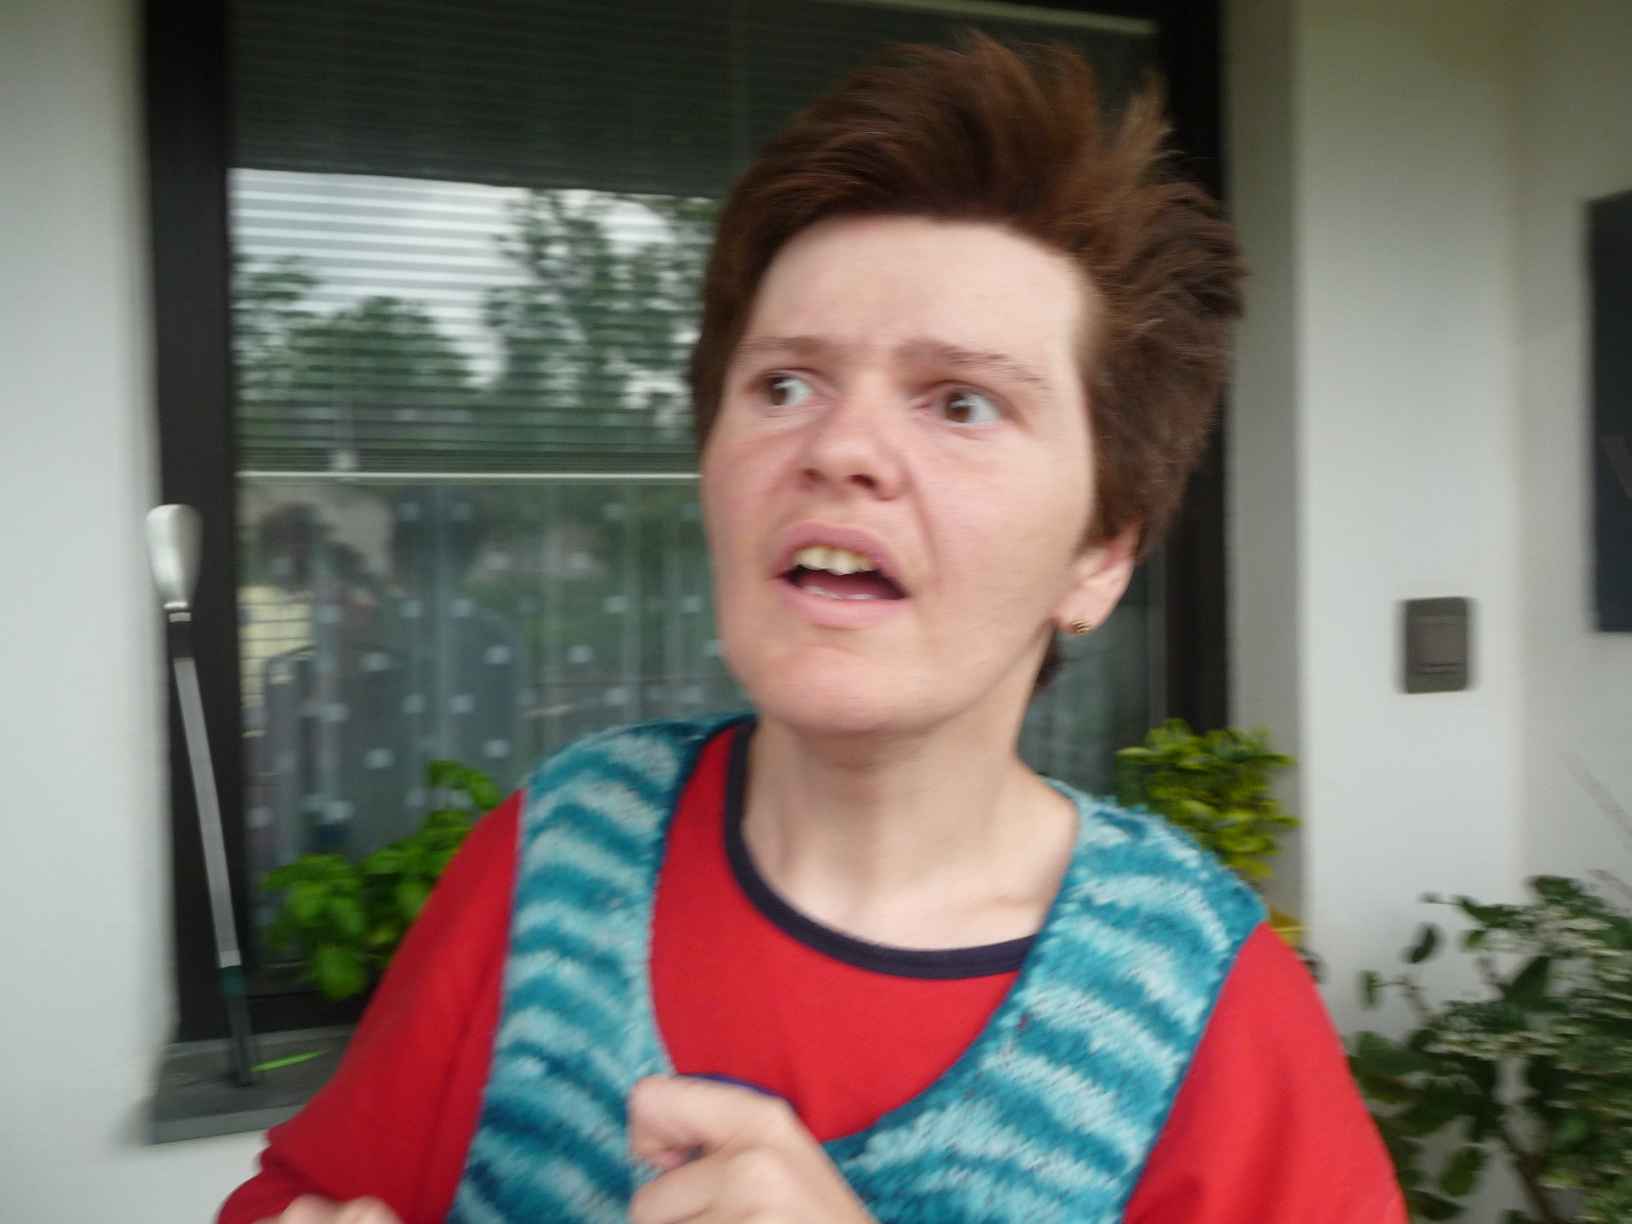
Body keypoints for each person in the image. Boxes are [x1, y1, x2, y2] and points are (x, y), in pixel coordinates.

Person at [220, 34, 1404, 1224]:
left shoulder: (1206, 1007)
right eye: (785, 385)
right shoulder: (556, 854)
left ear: (1100, 555)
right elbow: (306, 1194)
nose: (839, 448)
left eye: (962, 402)